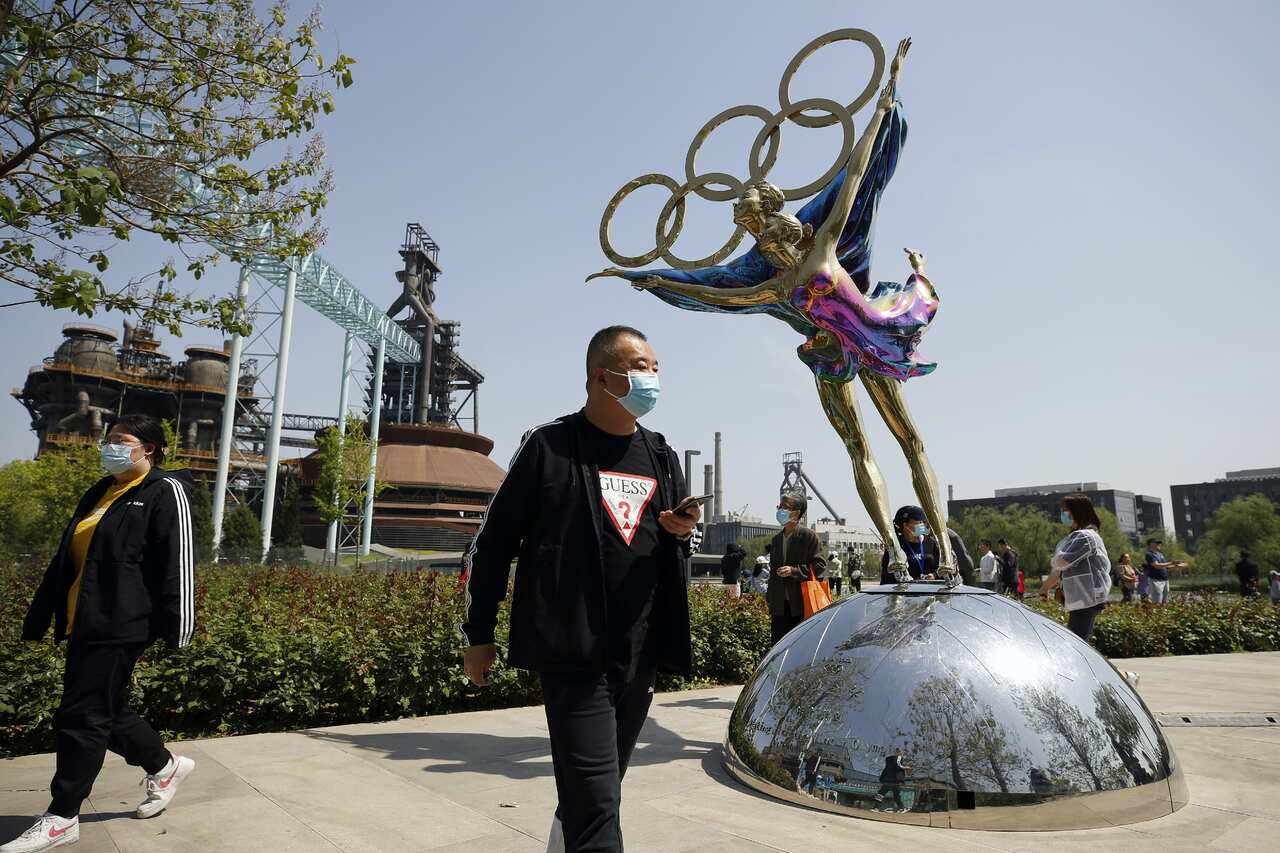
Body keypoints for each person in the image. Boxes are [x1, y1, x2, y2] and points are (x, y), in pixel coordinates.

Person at [460, 326, 701, 853]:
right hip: (573, 652)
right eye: (641, 366)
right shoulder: (549, 447)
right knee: (597, 802)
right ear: (602, 376)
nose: (652, 378)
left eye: (656, 368)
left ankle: (564, 837)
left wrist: (680, 531)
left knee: (600, 788)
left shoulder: (661, 456)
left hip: (639, 654)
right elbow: (493, 543)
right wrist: (479, 632)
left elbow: (671, 542)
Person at [7, 415, 196, 853]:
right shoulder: (100, 492)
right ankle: (164, 766)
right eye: (108, 439)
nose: (109, 447)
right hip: (85, 619)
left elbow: (179, 560)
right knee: (104, 710)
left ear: (148, 448)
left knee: (81, 716)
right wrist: (41, 616)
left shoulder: (164, 491)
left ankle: (62, 815)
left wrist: (180, 626)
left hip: (123, 622)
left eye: (121, 441)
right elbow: (68, 561)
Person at [1040, 494, 1113, 644]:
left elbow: (1061, 562)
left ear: (1077, 511)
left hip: (1087, 598)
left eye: (1065, 510)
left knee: (1077, 644)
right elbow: (1059, 570)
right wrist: (1045, 588)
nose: (1063, 514)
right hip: (1083, 598)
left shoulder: (1085, 536)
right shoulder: (1077, 536)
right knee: (1078, 641)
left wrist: (1055, 557)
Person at [765, 493, 826, 645]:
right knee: (778, 647)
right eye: (780, 506)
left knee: (799, 647)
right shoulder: (776, 540)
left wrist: (794, 571)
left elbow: (820, 567)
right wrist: (770, 599)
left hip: (801, 604)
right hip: (779, 606)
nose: (780, 510)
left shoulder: (808, 536)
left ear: (796, 512)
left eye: (785, 507)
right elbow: (773, 573)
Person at [879, 506, 941, 583]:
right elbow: (886, 577)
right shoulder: (895, 547)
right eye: (919, 522)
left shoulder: (931, 543)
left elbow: (943, 568)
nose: (922, 525)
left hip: (930, 592)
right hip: (905, 592)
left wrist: (934, 575)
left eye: (923, 522)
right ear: (906, 525)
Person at [1143, 538, 1185, 605]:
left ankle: (1163, 614)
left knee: (1165, 601)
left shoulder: (1160, 554)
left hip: (1165, 580)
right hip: (1156, 580)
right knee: (1157, 602)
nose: (1159, 545)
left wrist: (1176, 565)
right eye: (1157, 543)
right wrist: (1172, 562)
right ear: (1151, 544)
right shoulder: (1149, 554)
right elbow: (1156, 565)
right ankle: (1155, 614)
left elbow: (1165, 566)